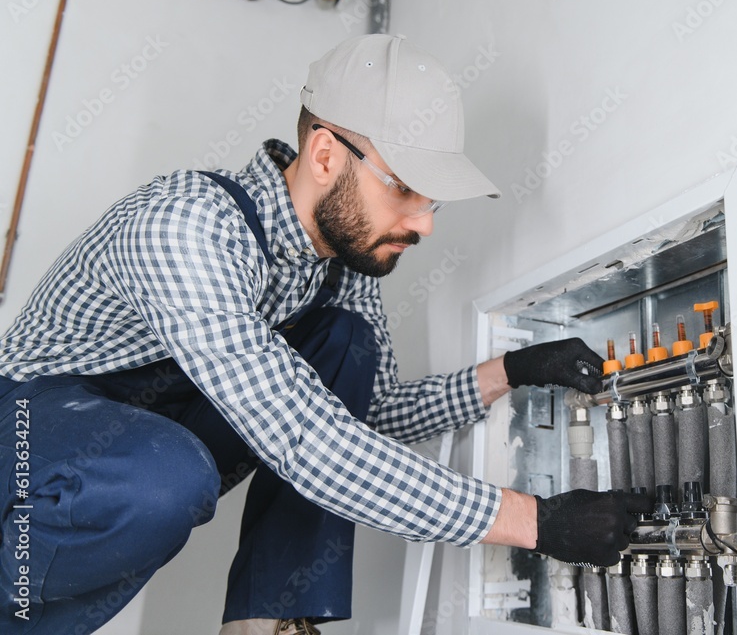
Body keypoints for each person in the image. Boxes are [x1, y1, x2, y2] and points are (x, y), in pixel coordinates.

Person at [0, 34, 647, 635]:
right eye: (408, 189)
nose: (424, 225)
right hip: (31, 427)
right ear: (326, 153)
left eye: (434, 201)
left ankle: (270, 621)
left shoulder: (343, 269)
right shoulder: (188, 228)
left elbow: (367, 418)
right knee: (163, 476)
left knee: (345, 343)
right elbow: (310, 440)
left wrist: (515, 367)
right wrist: (537, 521)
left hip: (157, 439)